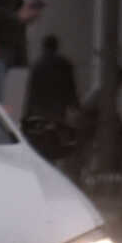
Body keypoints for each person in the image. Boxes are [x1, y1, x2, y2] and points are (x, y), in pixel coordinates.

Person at [24, 32, 81, 165]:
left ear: (44, 47)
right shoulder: (64, 64)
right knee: (56, 135)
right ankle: (53, 160)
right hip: (58, 108)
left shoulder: (37, 65)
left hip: (40, 108)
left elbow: (31, 90)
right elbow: (71, 87)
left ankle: (44, 160)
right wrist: (75, 105)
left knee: (41, 137)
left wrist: (28, 111)